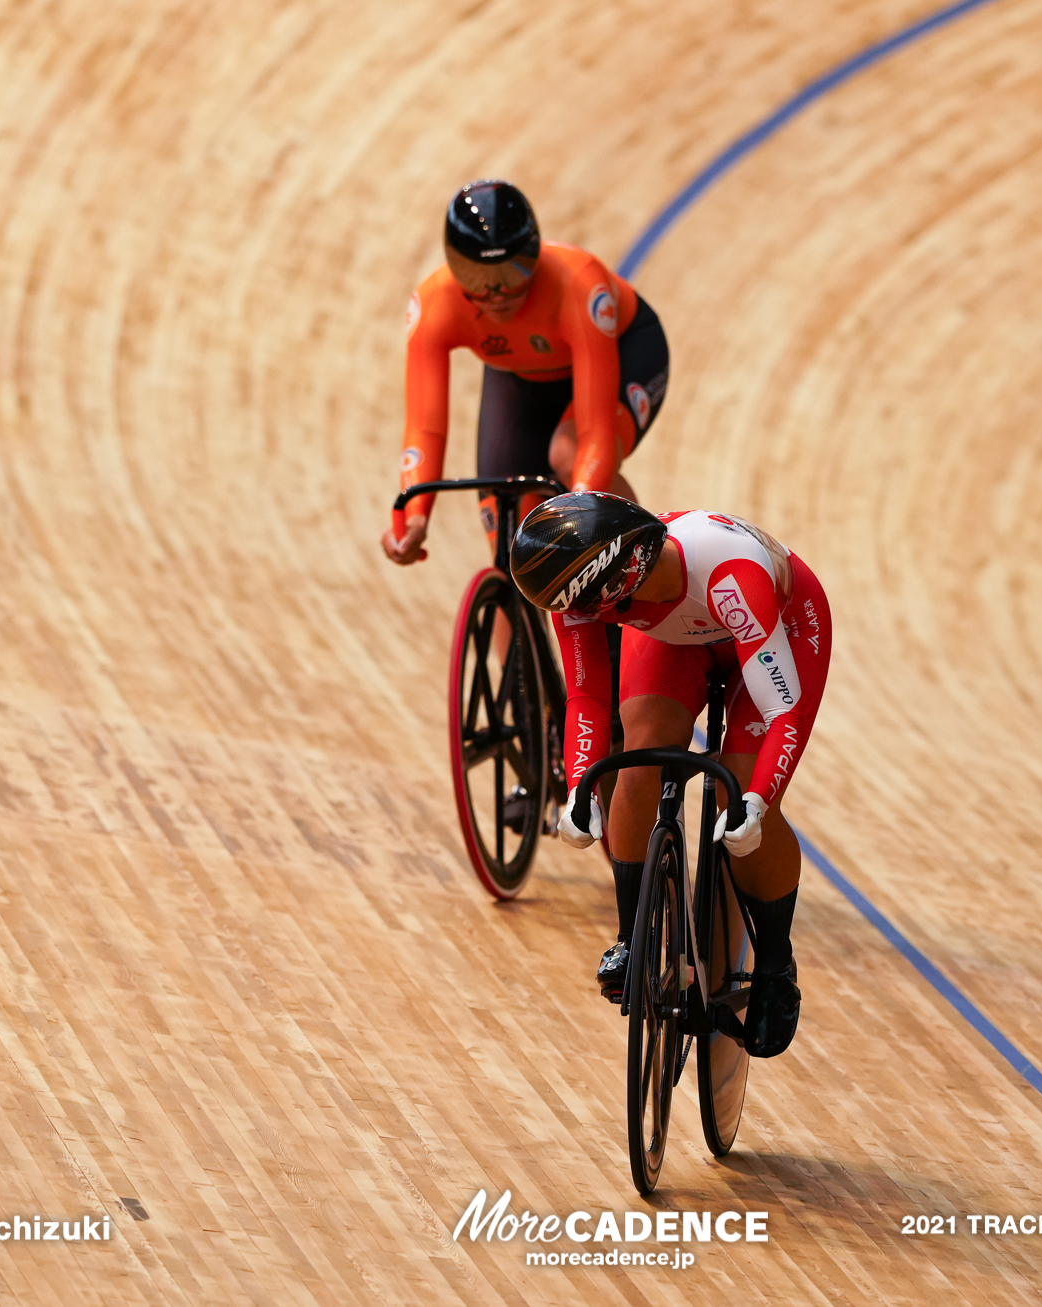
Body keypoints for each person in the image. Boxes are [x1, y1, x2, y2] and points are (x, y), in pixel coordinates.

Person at [510, 491, 832, 1058]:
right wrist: (580, 789)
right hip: (674, 637)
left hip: (775, 624)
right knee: (639, 762)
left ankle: (777, 963)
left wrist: (758, 798)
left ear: (615, 582)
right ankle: (631, 938)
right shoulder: (580, 588)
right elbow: (586, 697)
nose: (577, 617)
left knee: (739, 787)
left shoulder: (731, 573)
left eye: (586, 606)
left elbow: (783, 712)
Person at [381, 180, 669, 565]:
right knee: (510, 545)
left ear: (534, 255)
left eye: (514, 273)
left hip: (622, 353)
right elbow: (425, 427)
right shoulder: (435, 305)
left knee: (569, 456)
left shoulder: (579, 285)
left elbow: (595, 429)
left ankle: (651, 569)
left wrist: (584, 511)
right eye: (476, 277)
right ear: (452, 265)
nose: (497, 292)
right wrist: (415, 517)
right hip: (521, 379)